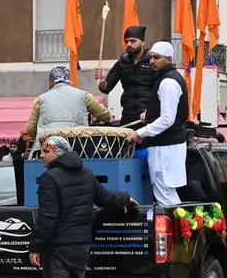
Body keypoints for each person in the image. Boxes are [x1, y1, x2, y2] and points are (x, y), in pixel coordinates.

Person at [29, 136, 134, 278]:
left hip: (58, 247)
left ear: (56, 151)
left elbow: (47, 218)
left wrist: (36, 246)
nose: (41, 157)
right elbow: (106, 198)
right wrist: (126, 198)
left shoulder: (50, 179)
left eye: (43, 152)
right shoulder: (86, 173)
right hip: (81, 245)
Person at [126, 41, 188, 205]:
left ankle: (176, 230)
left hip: (165, 148)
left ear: (168, 59)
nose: (152, 61)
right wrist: (150, 114)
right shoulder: (167, 78)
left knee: (165, 196)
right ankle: (179, 229)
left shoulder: (167, 82)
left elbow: (168, 119)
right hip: (167, 146)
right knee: (167, 194)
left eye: (156, 58)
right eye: (150, 58)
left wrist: (140, 132)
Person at [24, 66, 112, 154]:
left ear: (51, 82)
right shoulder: (84, 95)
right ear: (68, 81)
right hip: (77, 145)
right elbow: (105, 115)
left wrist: (39, 137)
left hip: (48, 147)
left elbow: (31, 128)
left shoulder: (40, 99)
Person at [95, 25, 156, 126]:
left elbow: (160, 90)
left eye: (133, 41)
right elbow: (105, 88)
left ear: (143, 42)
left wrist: (152, 110)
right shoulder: (122, 62)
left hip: (148, 116)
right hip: (128, 116)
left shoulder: (153, 61)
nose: (129, 44)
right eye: (126, 41)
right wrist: (101, 80)